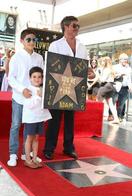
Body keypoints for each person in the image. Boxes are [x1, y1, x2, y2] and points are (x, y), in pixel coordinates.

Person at [43, 16, 88, 160]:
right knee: (54, 120)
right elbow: (49, 66)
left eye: (78, 26)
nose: (77, 28)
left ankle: (69, 147)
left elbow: (84, 66)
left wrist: (90, 72)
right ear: (66, 26)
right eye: (74, 25)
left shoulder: (82, 46)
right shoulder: (55, 45)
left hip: (74, 88)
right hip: (57, 87)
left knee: (70, 120)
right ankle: (49, 148)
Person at [7, 29, 44, 167]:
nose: (32, 42)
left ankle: (26, 153)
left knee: (31, 128)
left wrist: (39, 90)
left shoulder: (39, 58)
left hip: (34, 100)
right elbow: (11, 78)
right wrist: (22, 90)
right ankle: (12, 154)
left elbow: (42, 77)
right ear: (22, 41)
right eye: (28, 39)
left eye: (34, 40)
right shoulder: (16, 57)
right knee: (16, 125)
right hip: (19, 97)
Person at [22, 67, 52, 169]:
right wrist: (38, 97)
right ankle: (27, 159)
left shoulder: (42, 89)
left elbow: (43, 104)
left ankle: (34, 158)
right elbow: (30, 105)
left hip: (39, 118)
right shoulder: (28, 90)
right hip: (31, 118)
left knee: (36, 138)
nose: (37, 79)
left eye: (39, 77)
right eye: (34, 77)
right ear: (30, 78)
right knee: (29, 138)